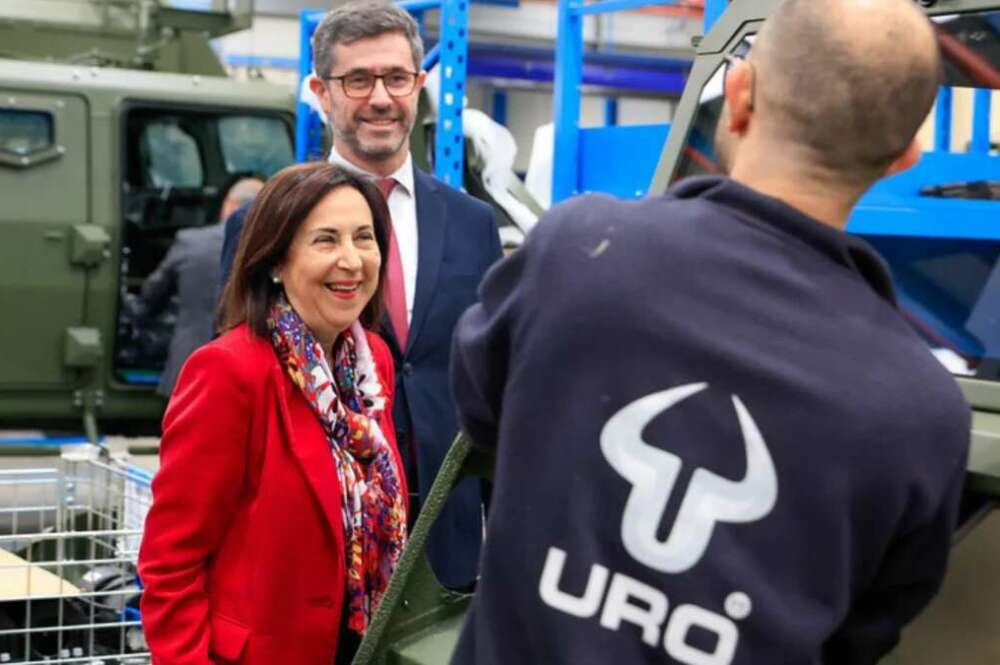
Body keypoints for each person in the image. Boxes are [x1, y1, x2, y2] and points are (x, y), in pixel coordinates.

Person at [449, 1, 971, 664]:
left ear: (741, 93)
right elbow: (864, 630)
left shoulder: (579, 250)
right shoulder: (923, 411)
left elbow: (481, 407)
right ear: (905, 157)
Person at [219, 0, 501, 590]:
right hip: (318, 539)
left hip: (445, 536)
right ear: (321, 92)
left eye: (397, 78)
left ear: (418, 85)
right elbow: (235, 384)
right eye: (358, 80)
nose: (380, 98)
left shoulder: (472, 223)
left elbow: (491, 378)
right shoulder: (263, 224)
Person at [139, 163, 408, 665]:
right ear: (276, 262)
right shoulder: (229, 371)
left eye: (363, 238)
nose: (351, 260)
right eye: (325, 240)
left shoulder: (373, 366)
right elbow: (171, 562)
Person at [137, 176, 263, 397]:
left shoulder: (190, 241)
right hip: (246, 371)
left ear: (229, 204)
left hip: (188, 362)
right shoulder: (270, 250)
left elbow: (152, 294)